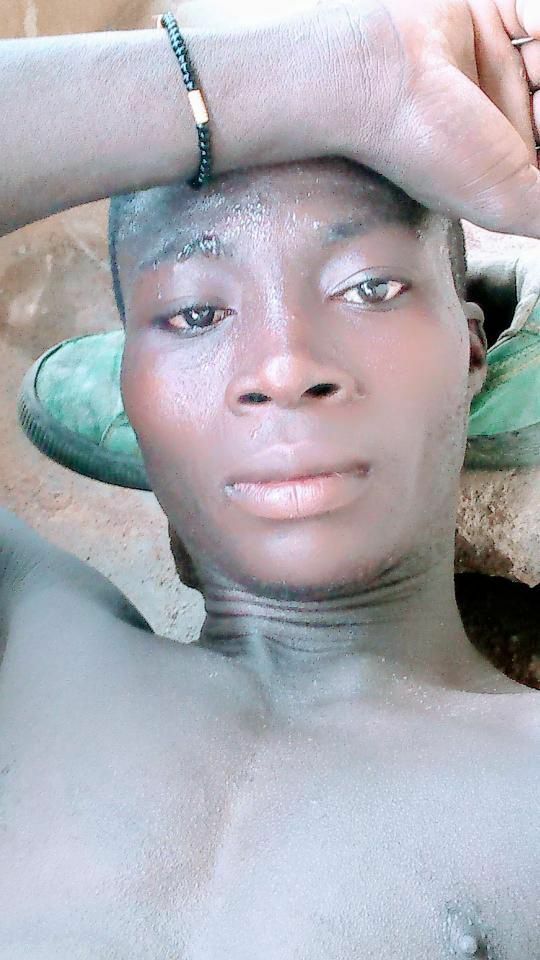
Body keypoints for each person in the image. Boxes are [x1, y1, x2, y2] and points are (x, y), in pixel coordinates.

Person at [1, 4, 539, 959]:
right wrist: (359, 76)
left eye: (369, 287)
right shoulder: (25, 643)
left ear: (471, 350)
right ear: (128, 390)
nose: (285, 367)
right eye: (195, 315)